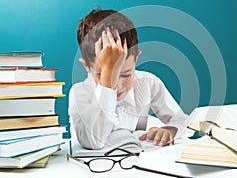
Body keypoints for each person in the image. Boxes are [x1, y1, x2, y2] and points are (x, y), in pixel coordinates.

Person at [69, 9, 189, 149]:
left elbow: (183, 121)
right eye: (101, 74)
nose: (117, 85)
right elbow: (94, 142)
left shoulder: (148, 83)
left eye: (125, 74)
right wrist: (108, 81)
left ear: (136, 59)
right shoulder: (80, 93)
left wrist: (170, 130)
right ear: (87, 67)